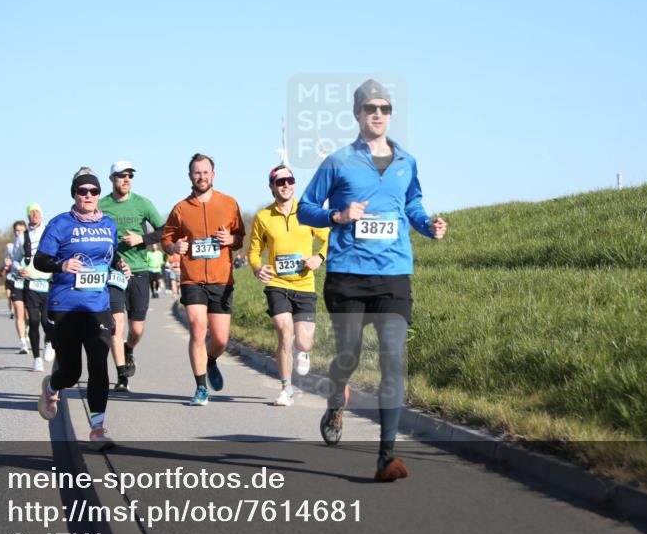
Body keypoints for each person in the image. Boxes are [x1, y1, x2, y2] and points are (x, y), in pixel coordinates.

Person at [298, 79, 448, 482]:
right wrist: (338, 216)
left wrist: (426, 225)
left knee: (392, 360)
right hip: (348, 274)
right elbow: (305, 209)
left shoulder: (406, 162)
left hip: (394, 275)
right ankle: (336, 400)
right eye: (370, 108)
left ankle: (386, 457)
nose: (377, 113)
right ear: (357, 114)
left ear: (390, 114)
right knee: (347, 356)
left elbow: (412, 202)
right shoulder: (338, 161)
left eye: (384, 108)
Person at [35, 168, 129, 448]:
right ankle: (51, 387)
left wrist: (119, 264)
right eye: (82, 191)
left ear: (99, 195)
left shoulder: (109, 225)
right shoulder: (60, 224)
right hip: (65, 305)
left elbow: (110, 255)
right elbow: (40, 261)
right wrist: (60, 265)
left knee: (99, 365)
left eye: (93, 191)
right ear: (74, 194)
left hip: (97, 305)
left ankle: (97, 429)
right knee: (72, 372)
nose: (88, 196)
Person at [162, 153, 245, 406]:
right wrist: (174, 247)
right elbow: (166, 238)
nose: (201, 176)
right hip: (192, 279)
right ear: (190, 176)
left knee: (220, 339)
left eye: (205, 172)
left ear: (213, 174)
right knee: (198, 328)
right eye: (197, 172)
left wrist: (231, 240)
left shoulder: (229, 203)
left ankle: (210, 360)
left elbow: (240, 235)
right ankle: (200, 388)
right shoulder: (181, 209)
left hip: (221, 279)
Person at [249, 163, 329, 406]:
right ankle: (286, 389)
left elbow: (330, 240)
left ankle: (302, 351)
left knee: (304, 342)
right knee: (284, 332)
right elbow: (254, 251)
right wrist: (257, 268)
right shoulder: (263, 217)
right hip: (277, 283)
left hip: (304, 284)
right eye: (280, 182)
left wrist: (319, 258)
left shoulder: (308, 213)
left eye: (290, 181)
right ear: (272, 186)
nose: (286, 185)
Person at [98, 160, 166, 392]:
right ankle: (121, 376)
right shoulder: (102, 205)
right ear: (111, 179)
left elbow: (164, 230)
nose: (126, 179)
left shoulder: (142, 204)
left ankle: (129, 349)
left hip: (138, 272)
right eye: (121, 175)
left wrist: (142, 239)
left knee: (136, 330)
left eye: (130, 175)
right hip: (112, 273)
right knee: (116, 325)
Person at [10, 204, 56, 371]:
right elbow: (15, 258)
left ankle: (49, 342)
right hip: (31, 282)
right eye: (31, 212)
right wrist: (17, 268)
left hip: (48, 282)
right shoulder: (22, 236)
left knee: (46, 320)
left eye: (37, 211)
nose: (34, 214)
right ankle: (37, 358)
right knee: (34, 321)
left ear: (41, 214)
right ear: (28, 216)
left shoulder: (49, 232)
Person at [4, 220, 29, 351]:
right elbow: (7, 260)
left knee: (28, 314)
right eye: (16, 230)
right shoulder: (10, 246)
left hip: (30, 281)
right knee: (19, 313)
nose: (19, 232)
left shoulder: (31, 242)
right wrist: (8, 265)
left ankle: (28, 327)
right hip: (16, 279)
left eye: (21, 230)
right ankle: (23, 343)